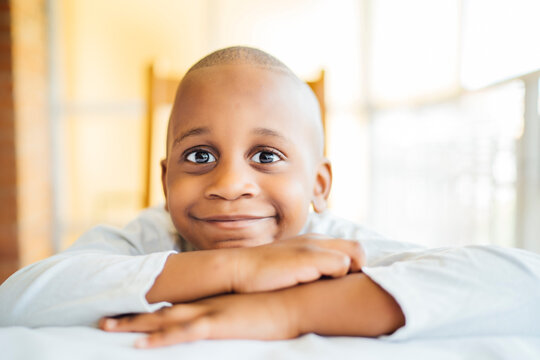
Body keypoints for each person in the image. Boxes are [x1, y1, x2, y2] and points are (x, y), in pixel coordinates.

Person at [1, 47, 539, 349]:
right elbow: (16, 300)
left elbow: (523, 283)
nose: (230, 184)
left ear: (320, 187)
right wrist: (235, 270)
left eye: (267, 156)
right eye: (200, 156)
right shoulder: (149, 236)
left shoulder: (334, 247)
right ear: (166, 181)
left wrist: (286, 309)